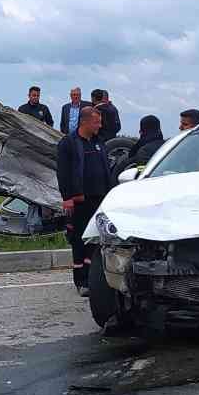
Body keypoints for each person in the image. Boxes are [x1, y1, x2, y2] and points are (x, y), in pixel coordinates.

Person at [56, 105, 113, 296]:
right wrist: (68, 198)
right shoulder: (69, 143)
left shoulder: (98, 142)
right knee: (78, 241)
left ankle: (93, 277)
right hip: (79, 201)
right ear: (84, 122)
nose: (100, 125)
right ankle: (81, 280)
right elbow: (63, 173)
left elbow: (105, 168)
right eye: (96, 122)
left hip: (99, 199)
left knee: (95, 240)